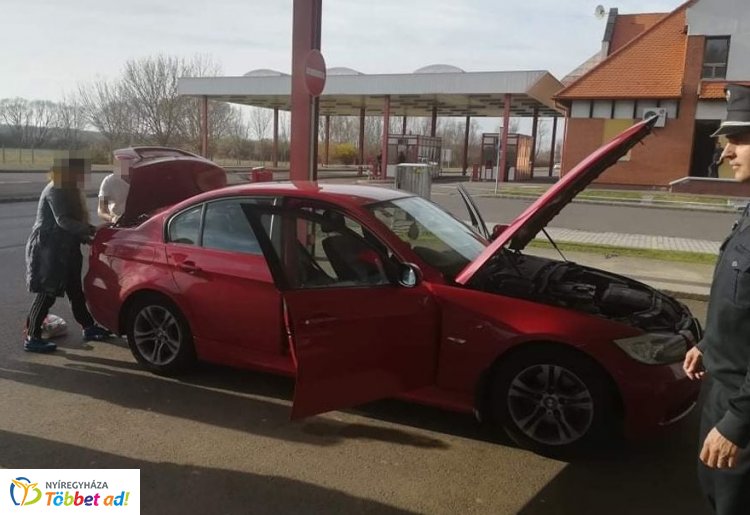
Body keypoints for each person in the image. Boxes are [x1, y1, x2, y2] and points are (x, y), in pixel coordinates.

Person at [683, 83, 750, 514]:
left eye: (739, 138)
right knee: (713, 496)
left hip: (742, 407)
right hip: (722, 390)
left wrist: (738, 422)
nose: (726, 152)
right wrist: (709, 343)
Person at [24, 154, 112, 353]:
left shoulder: (71, 189)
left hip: (67, 247)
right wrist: (91, 230)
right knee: (47, 293)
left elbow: (72, 222)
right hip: (50, 249)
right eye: (80, 173)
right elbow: (62, 220)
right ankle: (32, 337)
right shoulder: (56, 189)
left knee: (75, 290)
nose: (83, 177)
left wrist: (88, 238)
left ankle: (88, 326)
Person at [97, 150, 134, 223]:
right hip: (118, 222)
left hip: (140, 222)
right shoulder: (108, 181)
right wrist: (112, 219)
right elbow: (101, 210)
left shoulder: (141, 179)